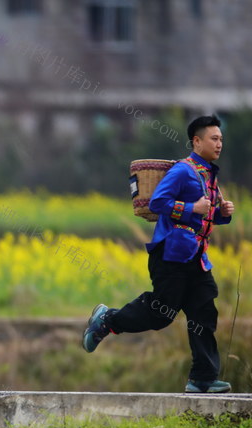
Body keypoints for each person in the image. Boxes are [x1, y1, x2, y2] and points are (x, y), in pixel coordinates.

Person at [82, 115, 235, 393]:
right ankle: (108, 320)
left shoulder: (208, 176)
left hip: (196, 259)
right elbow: (158, 202)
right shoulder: (183, 171)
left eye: (221, 138)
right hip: (171, 255)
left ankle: (202, 377)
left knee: (203, 315)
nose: (219, 143)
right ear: (197, 141)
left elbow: (204, 214)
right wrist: (192, 209)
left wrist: (221, 215)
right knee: (162, 314)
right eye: (214, 138)